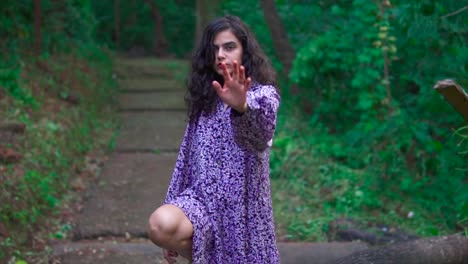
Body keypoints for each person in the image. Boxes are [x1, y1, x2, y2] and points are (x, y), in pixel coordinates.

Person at [147, 15, 280, 264]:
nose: (220, 54)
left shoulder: (264, 96)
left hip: (244, 212)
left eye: (229, 47)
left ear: (244, 51)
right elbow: (185, 160)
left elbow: (260, 138)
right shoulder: (206, 99)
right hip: (202, 203)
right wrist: (172, 213)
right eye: (215, 48)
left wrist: (242, 108)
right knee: (160, 225)